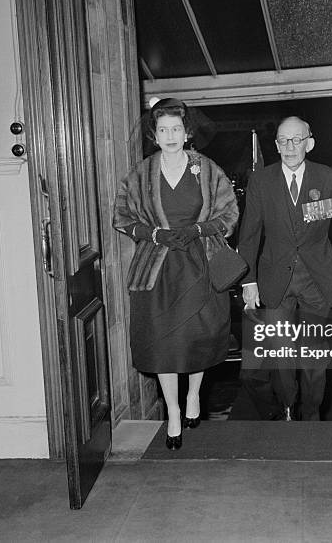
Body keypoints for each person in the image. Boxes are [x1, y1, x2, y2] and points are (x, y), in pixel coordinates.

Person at [113, 98, 238, 449]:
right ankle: (172, 411)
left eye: (176, 129)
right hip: (157, 269)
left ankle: (194, 395)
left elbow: (229, 214)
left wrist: (199, 230)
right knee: (164, 343)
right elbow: (122, 217)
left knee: (199, 337)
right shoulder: (140, 174)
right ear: (154, 135)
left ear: (188, 133)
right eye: (163, 130)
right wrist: (154, 233)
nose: (170, 135)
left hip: (200, 261)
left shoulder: (207, 169)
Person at [238, 116, 332, 421]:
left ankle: (312, 411)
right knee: (281, 352)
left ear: (309, 143)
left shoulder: (328, 178)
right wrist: (248, 280)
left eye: (296, 139)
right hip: (274, 281)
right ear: (276, 144)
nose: (289, 146)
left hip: (317, 281)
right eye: (283, 140)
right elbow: (249, 233)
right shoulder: (260, 181)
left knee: (314, 354)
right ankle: (289, 406)